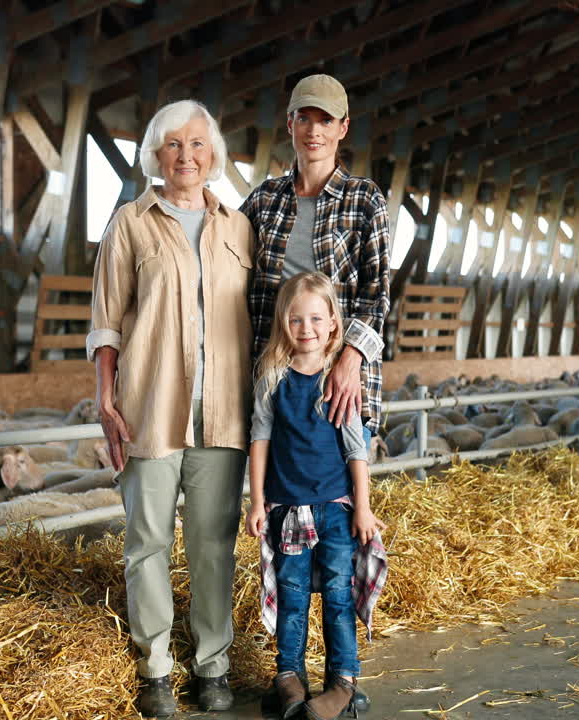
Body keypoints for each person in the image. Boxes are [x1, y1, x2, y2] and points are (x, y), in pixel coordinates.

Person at [87, 99, 254, 718]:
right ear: (155, 155)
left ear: (214, 156)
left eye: (197, 145)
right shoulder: (130, 224)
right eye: (173, 145)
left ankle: (213, 664)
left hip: (223, 413)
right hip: (150, 408)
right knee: (148, 541)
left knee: (213, 543)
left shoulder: (238, 228)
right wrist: (105, 398)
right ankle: (154, 664)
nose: (186, 156)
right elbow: (106, 322)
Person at [245, 272, 388, 720]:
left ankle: (342, 681)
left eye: (315, 318)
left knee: (338, 596)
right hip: (287, 509)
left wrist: (362, 508)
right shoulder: (272, 376)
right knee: (292, 597)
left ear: (332, 324)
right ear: (283, 324)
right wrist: (256, 500)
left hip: (334, 510)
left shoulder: (338, 380)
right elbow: (260, 439)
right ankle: (289, 676)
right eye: (295, 319)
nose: (305, 328)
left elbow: (356, 449)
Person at [240, 74, 392, 445]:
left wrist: (350, 360)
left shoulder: (364, 199)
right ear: (290, 123)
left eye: (325, 120)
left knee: (338, 497)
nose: (314, 131)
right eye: (304, 118)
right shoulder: (265, 199)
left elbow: (376, 295)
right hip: (275, 378)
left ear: (343, 128)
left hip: (338, 380)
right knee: (278, 497)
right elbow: (225, 264)